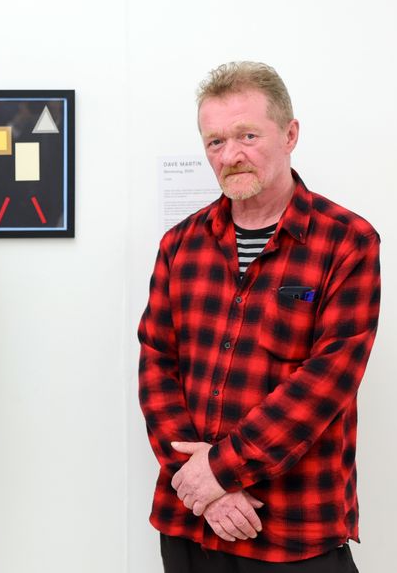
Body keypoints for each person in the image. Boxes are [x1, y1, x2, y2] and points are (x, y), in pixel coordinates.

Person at [138, 62, 380, 572]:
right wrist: (202, 485)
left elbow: (324, 385)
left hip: (294, 529)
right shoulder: (179, 246)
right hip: (192, 522)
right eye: (215, 142)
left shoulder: (348, 242)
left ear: (290, 134)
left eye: (247, 135)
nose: (231, 155)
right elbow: (157, 367)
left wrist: (220, 472)